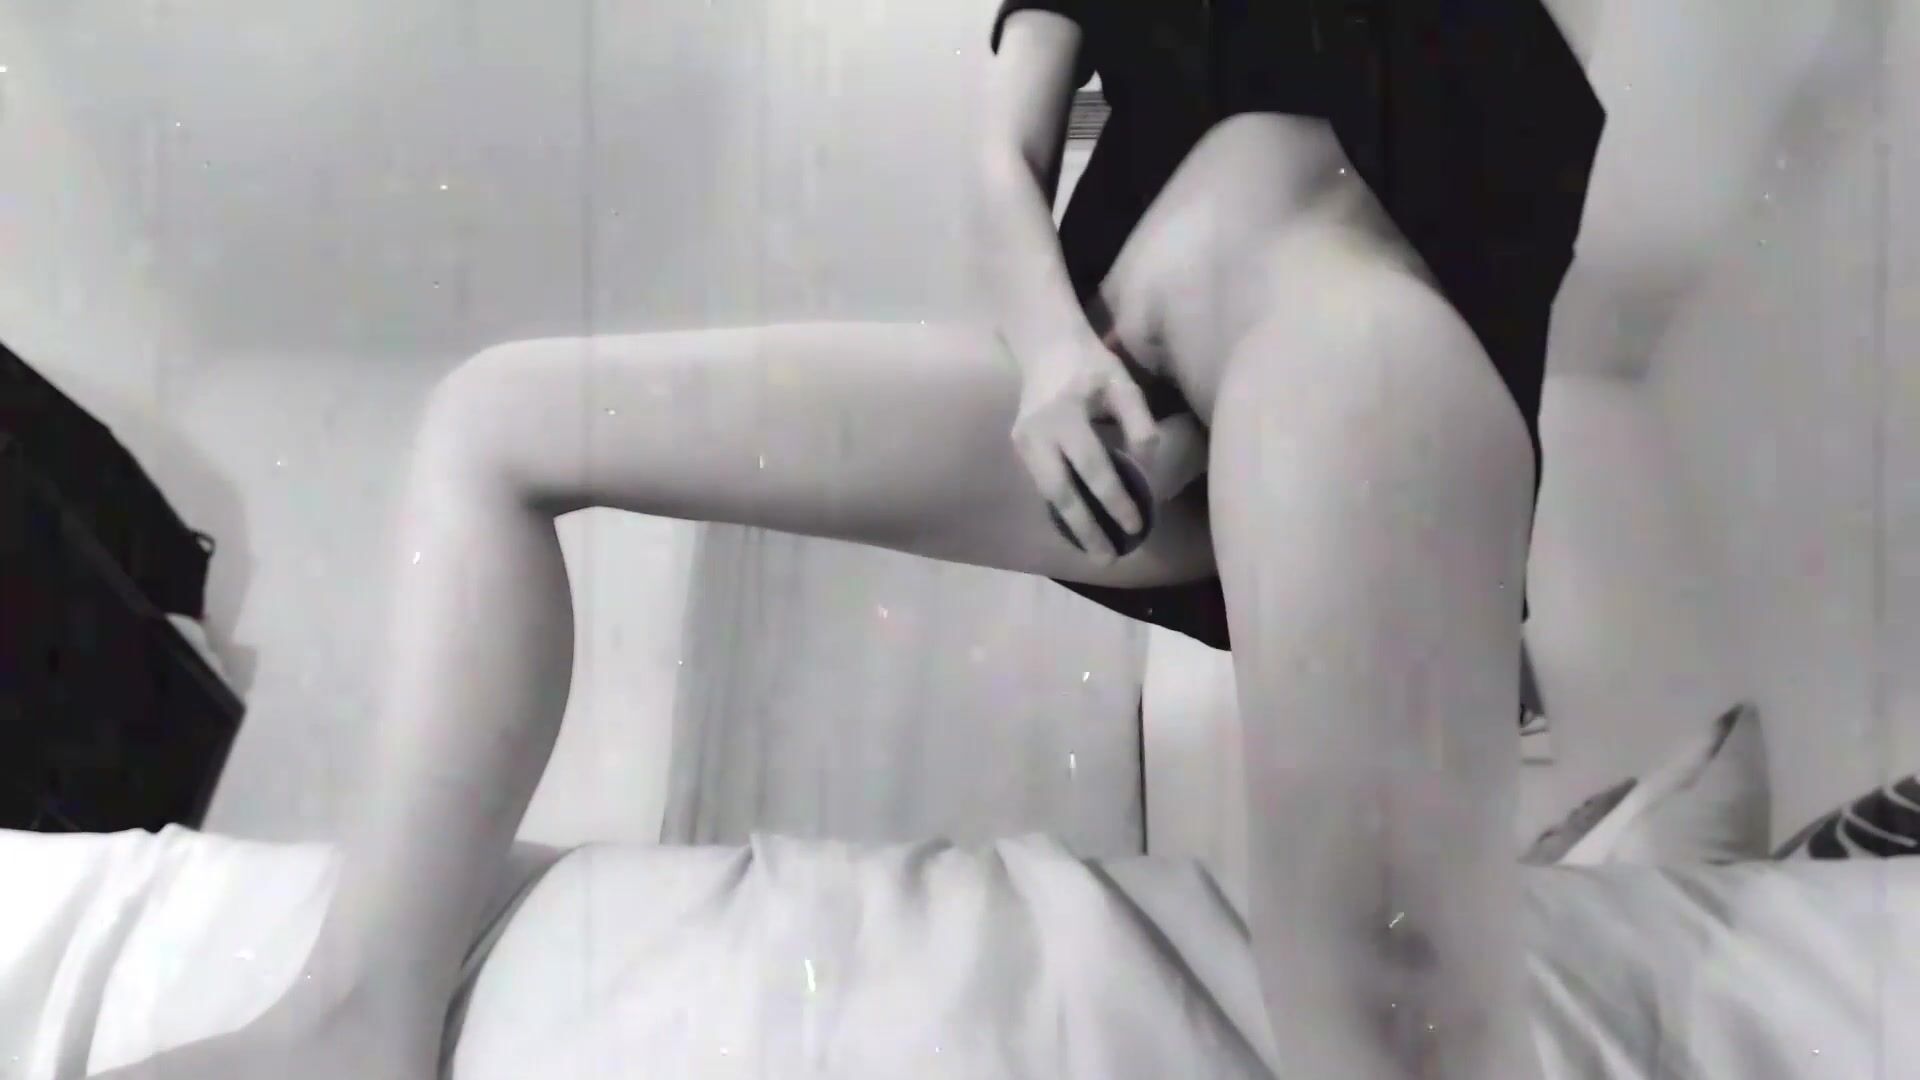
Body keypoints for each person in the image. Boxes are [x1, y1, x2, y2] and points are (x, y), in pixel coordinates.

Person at [98, 3, 1609, 1077]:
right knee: (495, 423)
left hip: (1340, 346)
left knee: (1387, 999)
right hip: (1107, 387)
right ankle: (355, 1017)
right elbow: (999, 164)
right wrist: (1048, 355)